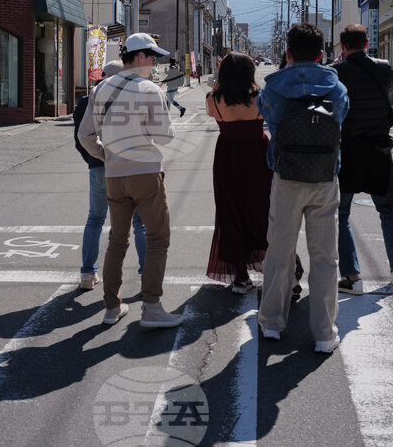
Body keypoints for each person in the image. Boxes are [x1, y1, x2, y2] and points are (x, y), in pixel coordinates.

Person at [78, 33, 184, 329]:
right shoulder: (150, 89)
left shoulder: (101, 89)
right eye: (152, 57)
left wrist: (105, 155)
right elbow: (164, 137)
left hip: (114, 174)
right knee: (158, 238)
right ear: (138, 57)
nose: (154, 63)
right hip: (146, 172)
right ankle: (151, 307)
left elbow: (84, 134)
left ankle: (112, 307)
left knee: (116, 240)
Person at [257, 23, 349, 353]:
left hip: (286, 175)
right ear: (323, 55)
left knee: (279, 252)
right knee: (325, 257)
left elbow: (266, 115)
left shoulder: (273, 87)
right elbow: (342, 119)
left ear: (288, 54)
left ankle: (271, 323)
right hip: (325, 177)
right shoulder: (336, 87)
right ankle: (324, 333)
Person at [332, 24, 393, 295]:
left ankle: (353, 278)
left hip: (347, 150)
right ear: (367, 43)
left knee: (342, 214)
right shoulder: (384, 68)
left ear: (343, 46)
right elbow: (389, 91)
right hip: (379, 150)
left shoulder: (335, 72)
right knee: (388, 210)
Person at [74, 60, 147, 290]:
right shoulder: (133, 99)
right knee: (139, 222)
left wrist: (99, 156)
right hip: (129, 166)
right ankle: (147, 272)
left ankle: (87, 272)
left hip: (99, 165)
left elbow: (81, 138)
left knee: (95, 218)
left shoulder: (88, 100)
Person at [204, 51, 272, 293]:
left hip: (227, 155)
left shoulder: (213, 98)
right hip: (259, 154)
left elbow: (212, 115)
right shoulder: (261, 97)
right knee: (263, 209)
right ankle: (287, 265)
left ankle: (240, 277)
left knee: (230, 212)